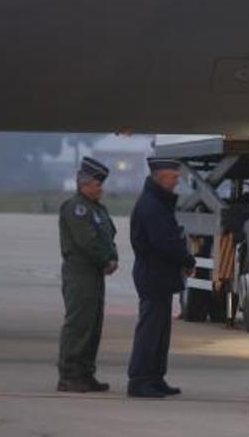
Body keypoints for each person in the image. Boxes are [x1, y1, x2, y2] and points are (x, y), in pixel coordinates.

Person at [127, 155, 196, 398]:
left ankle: (155, 377)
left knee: (159, 331)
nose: (177, 182)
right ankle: (140, 380)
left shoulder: (156, 202)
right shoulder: (152, 205)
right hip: (153, 273)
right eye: (174, 177)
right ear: (161, 177)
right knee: (150, 330)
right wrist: (187, 259)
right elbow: (164, 241)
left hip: (159, 274)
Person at [56, 156, 118, 393]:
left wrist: (113, 258)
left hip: (95, 273)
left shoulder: (97, 209)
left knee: (93, 324)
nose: (100, 189)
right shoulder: (76, 208)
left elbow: (108, 235)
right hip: (80, 272)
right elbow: (87, 241)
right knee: (79, 324)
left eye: (100, 185)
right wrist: (106, 259)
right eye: (96, 185)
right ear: (83, 184)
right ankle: (69, 375)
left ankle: (86, 373)